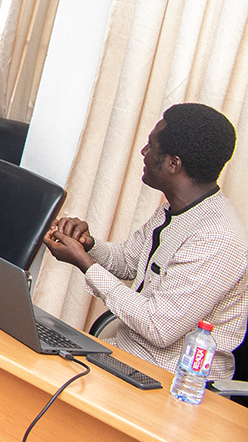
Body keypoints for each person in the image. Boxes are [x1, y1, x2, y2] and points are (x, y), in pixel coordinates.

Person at [44, 103, 248, 380]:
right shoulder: (175, 210)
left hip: (168, 380)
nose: (143, 152)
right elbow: (128, 262)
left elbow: (158, 327)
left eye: (151, 146)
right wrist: (88, 245)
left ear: (173, 163)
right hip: (124, 357)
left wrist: (86, 264)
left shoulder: (218, 240)